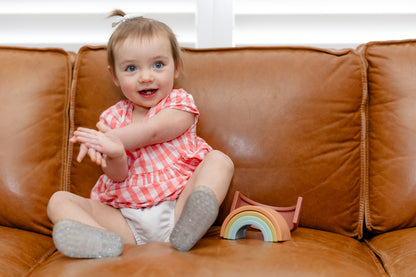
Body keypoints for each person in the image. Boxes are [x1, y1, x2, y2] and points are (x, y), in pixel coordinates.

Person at [47, 10, 234, 258]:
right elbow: (117, 176)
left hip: (178, 207)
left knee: (220, 160)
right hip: (126, 221)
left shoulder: (179, 102)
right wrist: (115, 155)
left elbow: (154, 131)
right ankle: (103, 242)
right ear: (115, 76)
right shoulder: (110, 120)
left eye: (158, 65)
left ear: (176, 68)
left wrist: (113, 139)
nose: (146, 77)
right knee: (58, 200)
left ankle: (191, 225)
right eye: (131, 68)